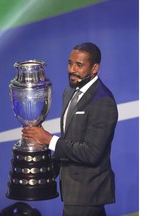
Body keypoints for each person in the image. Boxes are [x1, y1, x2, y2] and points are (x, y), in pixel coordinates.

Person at [22, 42, 118, 216]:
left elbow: (91, 153)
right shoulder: (69, 92)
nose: (72, 69)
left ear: (94, 68)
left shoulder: (103, 101)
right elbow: (69, 140)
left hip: (88, 195)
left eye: (79, 65)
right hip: (70, 193)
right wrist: (44, 174)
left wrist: (49, 139)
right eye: (70, 63)